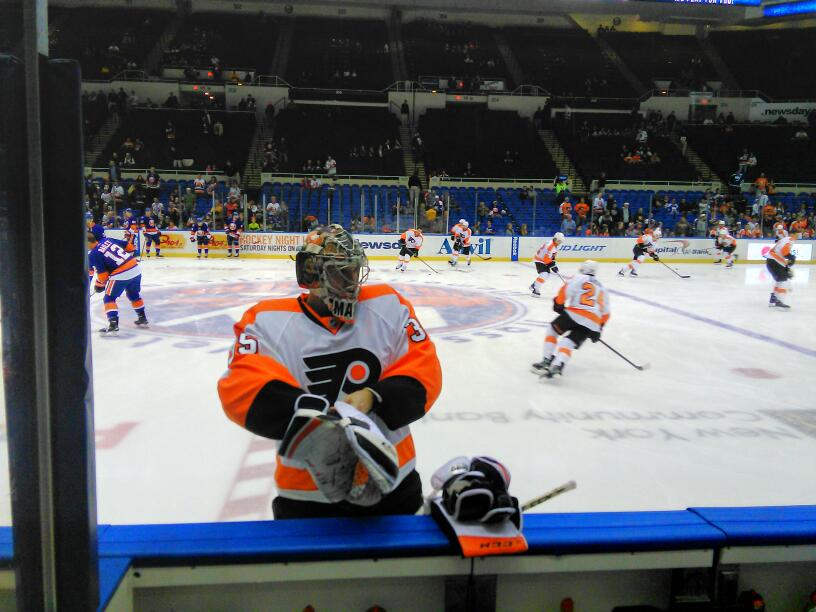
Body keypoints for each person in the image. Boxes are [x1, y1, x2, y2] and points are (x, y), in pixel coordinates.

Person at [217, 224, 442, 518]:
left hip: (393, 477)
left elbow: (424, 369)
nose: (352, 281)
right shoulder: (265, 321)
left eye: (354, 270)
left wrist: (375, 396)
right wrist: (317, 427)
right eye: (341, 271)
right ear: (311, 273)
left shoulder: (388, 304)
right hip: (306, 492)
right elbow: (241, 386)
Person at [531, 260, 610, 378]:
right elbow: (606, 313)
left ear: (584, 269)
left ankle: (547, 360)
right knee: (569, 343)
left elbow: (566, 290)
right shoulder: (602, 287)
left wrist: (559, 303)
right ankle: (558, 365)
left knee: (552, 331)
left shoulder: (579, 277)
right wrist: (598, 330)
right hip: (593, 321)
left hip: (575, 313)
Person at [87, 233, 148, 334]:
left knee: (109, 298)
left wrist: (99, 285)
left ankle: (113, 324)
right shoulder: (107, 240)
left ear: (88, 243)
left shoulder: (93, 254)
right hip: (135, 268)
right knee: (133, 294)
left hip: (121, 274)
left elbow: (103, 277)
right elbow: (130, 247)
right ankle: (142, 317)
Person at [766, 226, 795, 309]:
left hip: (772, 260)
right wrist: (791, 257)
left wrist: (785, 265)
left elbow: (775, 250)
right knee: (785, 281)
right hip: (775, 261)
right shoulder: (790, 240)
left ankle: (773, 300)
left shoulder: (783, 239)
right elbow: (784, 251)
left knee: (780, 281)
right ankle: (778, 301)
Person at [530, 232, 564, 297]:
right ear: (555, 239)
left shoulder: (555, 245)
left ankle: (534, 285)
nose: (559, 242)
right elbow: (546, 259)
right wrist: (553, 266)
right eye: (558, 240)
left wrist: (554, 265)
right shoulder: (550, 245)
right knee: (544, 274)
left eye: (561, 241)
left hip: (543, 260)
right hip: (539, 260)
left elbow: (552, 256)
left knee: (547, 275)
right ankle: (535, 289)